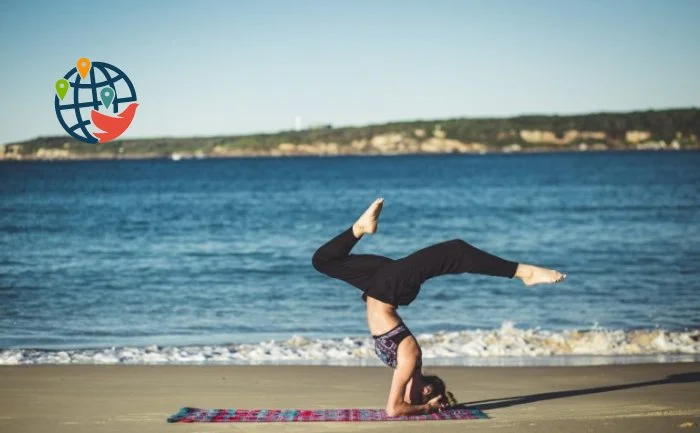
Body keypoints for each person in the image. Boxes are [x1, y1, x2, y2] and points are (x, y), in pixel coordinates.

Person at [311, 198, 566, 417]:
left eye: (419, 398)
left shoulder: (404, 363)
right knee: (455, 250)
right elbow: (398, 407)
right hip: (389, 288)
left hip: (381, 285)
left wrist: (426, 409)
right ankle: (523, 272)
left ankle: (360, 228)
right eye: (423, 394)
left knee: (323, 261)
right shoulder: (410, 357)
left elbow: (393, 408)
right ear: (427, 388)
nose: (416, 394)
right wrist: (430, 406)